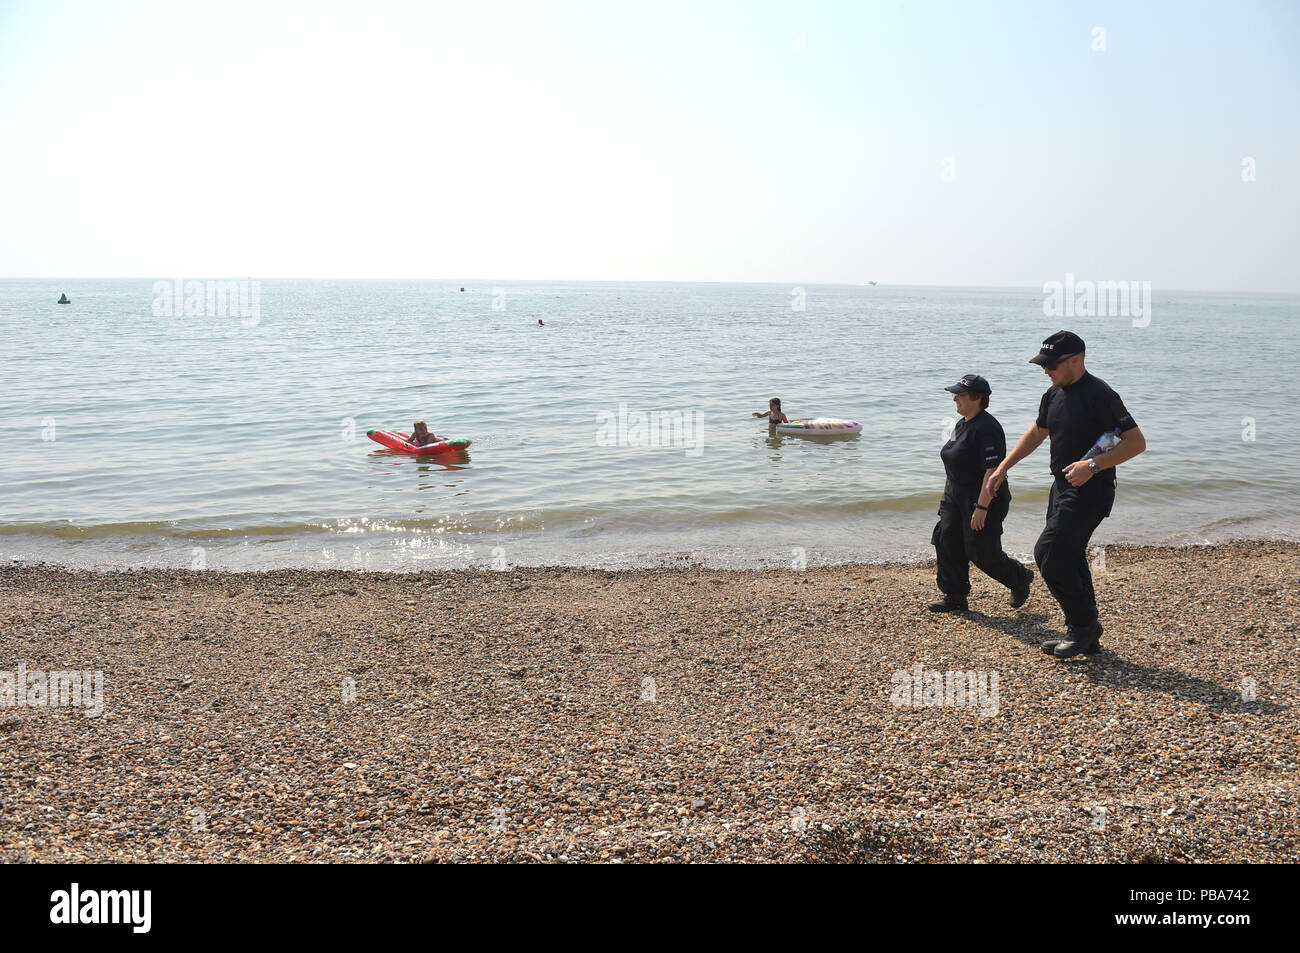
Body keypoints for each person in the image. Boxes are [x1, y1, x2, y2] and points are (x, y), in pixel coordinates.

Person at [986, 331, 1147, 659]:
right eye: (1043, 365)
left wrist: (1093, 465)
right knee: (1069, 556)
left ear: (1076, 360)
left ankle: (1082, 627)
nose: (1046, 370)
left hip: (1092, 489)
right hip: (1061, 488)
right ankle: (1089, 633)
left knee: (1050, 554)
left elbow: (1135, 442)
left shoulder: (1100, 395)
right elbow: (1038, 432)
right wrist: (1004, 466)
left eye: (1051, 365)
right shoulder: (1052, 394)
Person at [927, 374, 1034, 614]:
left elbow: (994, 470)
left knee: (981, 552)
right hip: (954, 496)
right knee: (947, 542)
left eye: (960, 395)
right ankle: (954, 596)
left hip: (984, 498)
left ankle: (1020, 578)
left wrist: (981, 507)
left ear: (977, 398)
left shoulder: (987, 428)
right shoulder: (963, 422)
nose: (955, 399)